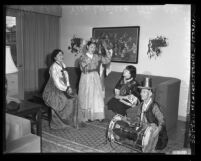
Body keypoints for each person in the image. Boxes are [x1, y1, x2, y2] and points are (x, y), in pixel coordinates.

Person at [42, 49, 81, 129]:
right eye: (59, 55)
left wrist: (69, 86)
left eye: (62, 54)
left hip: (63, 87)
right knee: (63, 100)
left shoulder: (63, 64)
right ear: (55, 57)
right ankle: (58, 123)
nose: (62, 56)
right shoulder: (53, 67)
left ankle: (71, 121)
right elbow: (56, 81)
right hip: (54, 88)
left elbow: (66, 77)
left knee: (75, 97)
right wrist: (66, 88)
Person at [78, 40, 112, 122]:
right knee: (86, 95)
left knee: (97, 95)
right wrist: (85, 63)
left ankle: (97, 115)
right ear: (87, 47)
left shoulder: (97, 56)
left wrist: (106, 50)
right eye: (91, 47)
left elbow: (107, 60)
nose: (93, 49)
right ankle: (86, 116)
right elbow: (81, 68)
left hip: (95, 76)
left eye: (94, 47)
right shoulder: (83, 57)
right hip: (86, 77)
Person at [136, 77, 168, 151]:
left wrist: (157, 131)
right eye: (141, 92)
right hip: (144, 129)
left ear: (150, 93)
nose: (141, 94)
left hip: (155, 132)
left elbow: (162, 121)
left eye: (144, 92)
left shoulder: (154, 106)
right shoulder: (141, 105)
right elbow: (138, 116)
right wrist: (138, 125)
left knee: (152, 129)